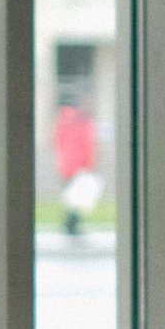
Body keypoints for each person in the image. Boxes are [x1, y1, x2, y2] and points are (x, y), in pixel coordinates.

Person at [52, 98, 100, 236]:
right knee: (77, 196)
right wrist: (89, 164)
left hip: (66, 164)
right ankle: (70, 224)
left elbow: (56, 141)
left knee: (74, 196)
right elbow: (87, 145)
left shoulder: (64, 121)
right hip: (78, 165)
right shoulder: (81, 121)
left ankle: (70, 224)